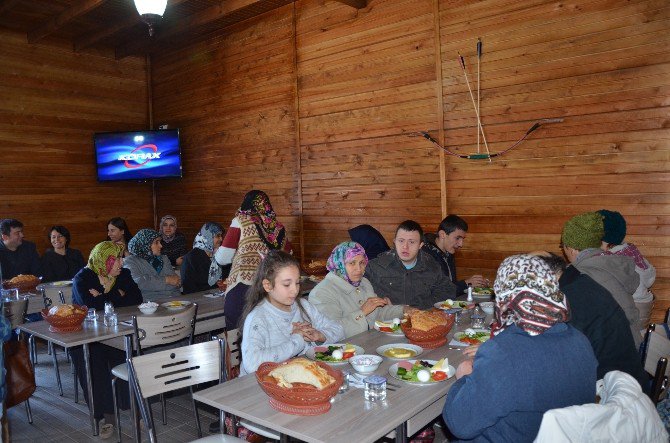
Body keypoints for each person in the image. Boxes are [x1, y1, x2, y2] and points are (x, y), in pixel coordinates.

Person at [443, 254, 597, 442]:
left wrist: (465, 377)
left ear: (504, 297)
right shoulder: (579, 341)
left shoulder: (504, 352)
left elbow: (460, 424)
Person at [536, 251, 647, 389]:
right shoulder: (581, 283)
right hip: (626, 379)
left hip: (612, 393)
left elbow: (558, 358)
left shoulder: (569, 300)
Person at [71, 241, 143, 439]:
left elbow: (137, 298)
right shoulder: (83, 278)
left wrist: (104, 296)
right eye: (117, 259)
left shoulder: (124, 273)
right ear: (104, 260)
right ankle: (106, 415)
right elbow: (89, 306)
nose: (121, 262)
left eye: (121, 258)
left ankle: (133, 408)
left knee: (127, 351)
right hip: (88, 335)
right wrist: (117, 294)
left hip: (117, 330)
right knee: (92, 358)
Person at [239, 250, 344, 375]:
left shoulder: (303, 306)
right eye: (287, 284)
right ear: (267, 286)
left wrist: (320, 335)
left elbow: (340, 330)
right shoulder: (258, 318)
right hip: (259, 386)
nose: (295, 290)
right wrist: (297, 340)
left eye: (297, 283)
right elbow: (252, 364)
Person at [561, 212, 642, 347]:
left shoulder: (582, 275)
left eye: (563, 246)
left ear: (572, 249)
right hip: (632, 343)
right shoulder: (610, 265)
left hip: (613, 354)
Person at [215, 190, 292, 329]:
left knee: (240, 341)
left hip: (243, 290)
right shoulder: (278, 228)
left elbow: (223, 258)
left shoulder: (241, 222)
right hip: (271, 290)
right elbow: (289, 256)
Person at [310, 241, 413, 338]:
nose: (359, 269)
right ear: (339, 264)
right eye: (352, 263)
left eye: (362, 263)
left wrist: (403, 310)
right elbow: (330, 332)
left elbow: (378, 313)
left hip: (369, 342)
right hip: (344, 350)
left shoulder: (364, 282)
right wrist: (362, 312)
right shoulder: (322, 293)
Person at [364, 220, 457, 309]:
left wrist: (416, 307)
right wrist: (382, 304)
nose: (405, 246)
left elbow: (448, 291)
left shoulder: (430, 265)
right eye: (401, 241)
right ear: (394, 241)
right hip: (387, 322)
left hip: (421, 320)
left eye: (411, 242)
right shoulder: (376, 266)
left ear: (420, 245)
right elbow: (358, 294)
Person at [598, 209, 656, 326]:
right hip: (644, 308)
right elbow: (649, 279)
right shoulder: (630, 251)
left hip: (630, 312)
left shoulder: (612, 259)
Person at [421, 215, 488, 293]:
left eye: (462, 239)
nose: (461, 244)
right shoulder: (425, 255)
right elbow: (437, 292)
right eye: (457, 238)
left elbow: (451, 286)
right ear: (442, 234)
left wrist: (473, 285)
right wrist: (466, 284)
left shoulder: (449, 252)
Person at [124, 229, 181, 301]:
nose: (160, 246)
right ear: (145, 244)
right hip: (150, 303)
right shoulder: (130, 261)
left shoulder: (163, 259)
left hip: (175, 298)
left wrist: (153, 282)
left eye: (160, 242)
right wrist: (166, 280)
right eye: (156, 242)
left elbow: (176, 282)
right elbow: (140, 283)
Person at [181, 222, 227, 294]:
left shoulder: (219, 254)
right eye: (218, 236)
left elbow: (226, 277)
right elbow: (189, 286)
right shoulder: (191, 258)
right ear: (208, 236)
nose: (221, 239)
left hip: (218, 295)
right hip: (198, 297)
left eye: (221, 236)